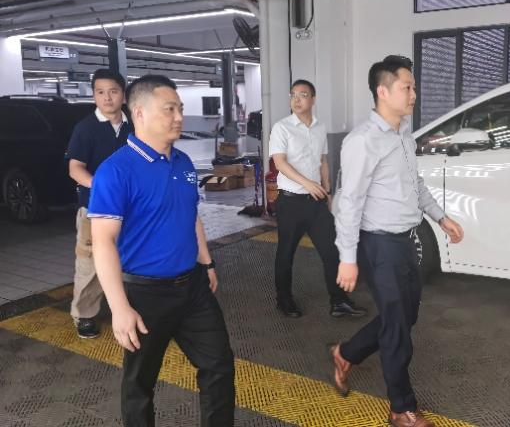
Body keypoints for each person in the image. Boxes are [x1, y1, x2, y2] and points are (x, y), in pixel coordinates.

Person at [88, 75, 235, 427]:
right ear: (139, 112)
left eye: (180, 109)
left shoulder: (183, 162)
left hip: (193, 288)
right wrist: (119, 308)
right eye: (169, 109)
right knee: (140, 385)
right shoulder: (115, 171)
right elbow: (103, 242)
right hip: (145, 296)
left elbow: (191, 215)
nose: (179, 117)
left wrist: (207, 262)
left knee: (219, 366)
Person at [331, 56, 464, 427]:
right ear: (383, 91)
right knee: (397, 330)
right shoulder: (362, 141)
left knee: (405, 318)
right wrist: (347, 257)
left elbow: (415, 185)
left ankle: (346, 353)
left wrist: (441, 217)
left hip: (407, 241)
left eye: (413, 87)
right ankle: (401, 408)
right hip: (379, 246)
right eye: (407, 87)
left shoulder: (404, 134)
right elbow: (349, 202)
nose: (414, 94)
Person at [269, 79, 367, 319]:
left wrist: (327, 190)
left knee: (332, 250)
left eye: (303, 95)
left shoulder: (320, 127)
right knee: (286, 254)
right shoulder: (281, 127)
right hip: (290, 202)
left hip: (316, 202)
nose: (296, 99)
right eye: (293, 95)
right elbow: (279, 163)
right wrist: (307, 183)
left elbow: (322, 160)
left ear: (313, 100)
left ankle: (339, 302)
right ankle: (284, 300)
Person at [66, 69, 132, 339]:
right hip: (95, 209)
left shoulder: (133, 125)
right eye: (100, 92)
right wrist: (102, 187)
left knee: (132, 259)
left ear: (123, 95)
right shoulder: (86, 128)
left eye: (113, 91)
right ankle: (84, 314)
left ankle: (128, 307)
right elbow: (75, 168)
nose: (107, 97)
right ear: (93, 95)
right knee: (91, 263)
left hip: (131, 208)